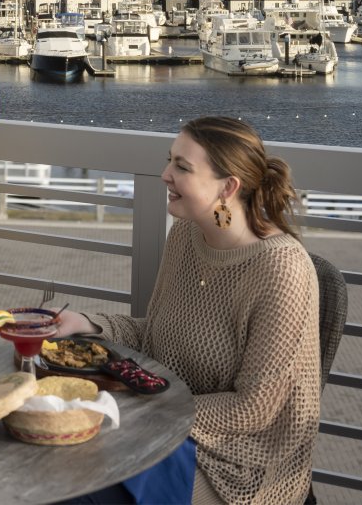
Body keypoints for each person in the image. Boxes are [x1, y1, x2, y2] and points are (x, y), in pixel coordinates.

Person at [54, 116, 319, 504]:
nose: (164, 175)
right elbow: (155, 335)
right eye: (169, 160)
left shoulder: (282, 270)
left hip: (241, 466)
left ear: (228, 187)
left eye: (182, 166)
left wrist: (148, 414)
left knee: (80, 490)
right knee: (55, 459)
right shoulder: (186, 234)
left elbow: (253, 409)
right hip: (164, 429)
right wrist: (89, 324)